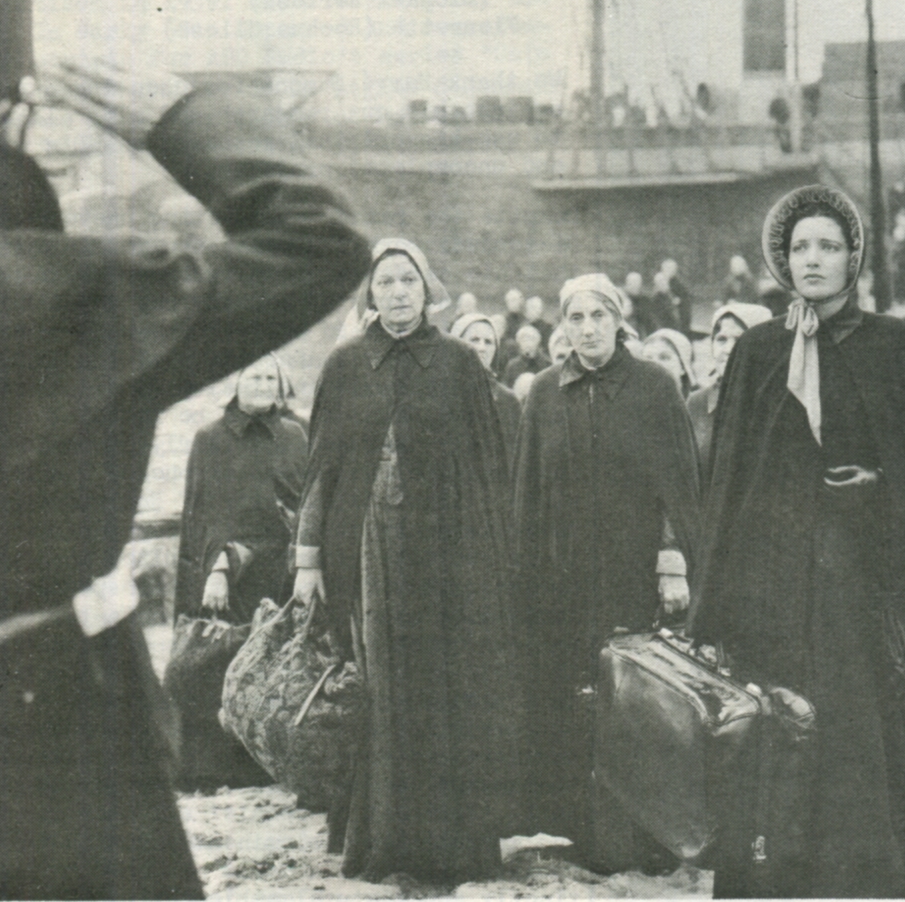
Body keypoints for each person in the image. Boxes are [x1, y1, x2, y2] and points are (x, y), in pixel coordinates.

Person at [0, 0, 370, 897]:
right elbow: (318, 238)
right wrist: (187, 116)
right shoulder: (81, 298)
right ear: (16, 117)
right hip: (60, 752)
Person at [690, 185, 905, 898]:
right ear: (782, 260)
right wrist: (717, 605)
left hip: (869, 586)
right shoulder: (758, 350)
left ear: (852, 257)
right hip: (776, 593)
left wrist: (877, 487)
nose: (814, 259)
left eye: (828, 246)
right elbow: (729, 484)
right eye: (800, 247)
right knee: (783, 740)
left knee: (871, 743)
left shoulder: (890, 345)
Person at [293, 238, 521, 884]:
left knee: (445, 685)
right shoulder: (343, 366)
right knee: (379, 687)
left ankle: (451, 843)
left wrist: (487, 552)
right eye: (385, 282)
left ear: (427, 291)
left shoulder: (456, 363)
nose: (397, 292)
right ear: (370, 293)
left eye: (408, 281)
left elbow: (486, 468)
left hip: (446, 554)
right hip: (362, 553)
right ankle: (382, 837)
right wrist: (307, 559)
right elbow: (321, 471)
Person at [512, 274, 702, 874]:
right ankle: (583, 833)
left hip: (632, 575)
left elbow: (680, 488)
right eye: (576, 317)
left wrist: (671, 564)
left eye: (599, 316)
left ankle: (646, 835)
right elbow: (528, 494)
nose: (588, 328)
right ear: (562, 326)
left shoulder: (653, 386)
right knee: (574, 699)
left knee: (637, 702)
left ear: (619, 322)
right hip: (563, 578)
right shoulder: (545, 392)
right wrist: (527, 575)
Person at [172, 354, 306, 791]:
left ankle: (264, 763)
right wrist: (215, 568)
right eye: (254, 376)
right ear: (235, 382)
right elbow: (201, 516)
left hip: (278, 572)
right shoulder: (209, 439)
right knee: (212, 660)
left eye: (271, 376)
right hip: (223, 574)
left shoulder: (292, 436)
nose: (264, 384)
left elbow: (303, 504)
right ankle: (211, 767)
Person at [684, 302, 772, 483]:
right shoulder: (696, 403)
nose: (728, 349)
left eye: (740, 339)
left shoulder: (775, 405)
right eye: (721, 339)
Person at [451, 311, 522, 468]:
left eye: (488, 342)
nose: (481, 348)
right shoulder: (441, 394)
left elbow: (514, 461)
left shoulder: (507, 400)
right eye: (474, 340)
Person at [641, 327, 696, 400]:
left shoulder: (699, 405)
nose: (655, 364)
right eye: (648, 358)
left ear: (682, 366)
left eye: (664, 357)